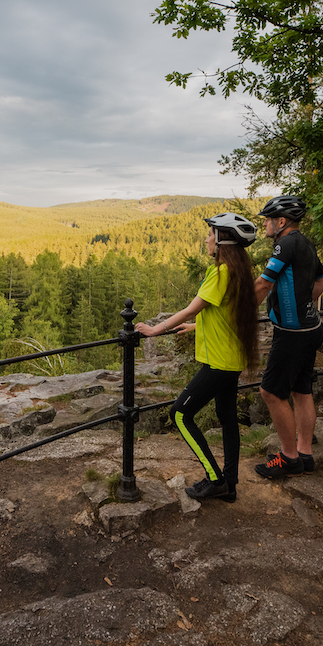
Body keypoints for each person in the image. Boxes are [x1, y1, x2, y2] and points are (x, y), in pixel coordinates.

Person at [136, 212, 259, 502]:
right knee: (228, 419)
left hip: (218, 363)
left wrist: (155, 330)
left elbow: (193, 307)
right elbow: (222, 313)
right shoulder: (237, 271)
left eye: (211, 234)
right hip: (231, 359)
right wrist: (195, 326)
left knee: (179, 414)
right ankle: (230, 483)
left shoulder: (219, 272)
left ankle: (215, 479)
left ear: (222, 240)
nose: (206, 239)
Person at [253, 195, 323, 479]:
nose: (264, 224)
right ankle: (304, 453)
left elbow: (263, 283)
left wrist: (239, 316)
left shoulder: (285, 244)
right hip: (312, 329)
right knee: (302, 389)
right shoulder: (305, 243)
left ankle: (288, 458)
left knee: (270, 392)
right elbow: (322, 277)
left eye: (267, 220)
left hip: (292, 333)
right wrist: (306, 302)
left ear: (281, 221)